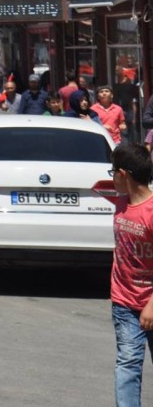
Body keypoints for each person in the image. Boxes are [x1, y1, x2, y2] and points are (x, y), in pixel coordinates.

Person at [110, 143, 153, 407]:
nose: (111, 177)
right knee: (128, 362)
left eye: (112, 171)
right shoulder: (121, 204)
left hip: (151, 302)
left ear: (123, 174)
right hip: (124, 303)